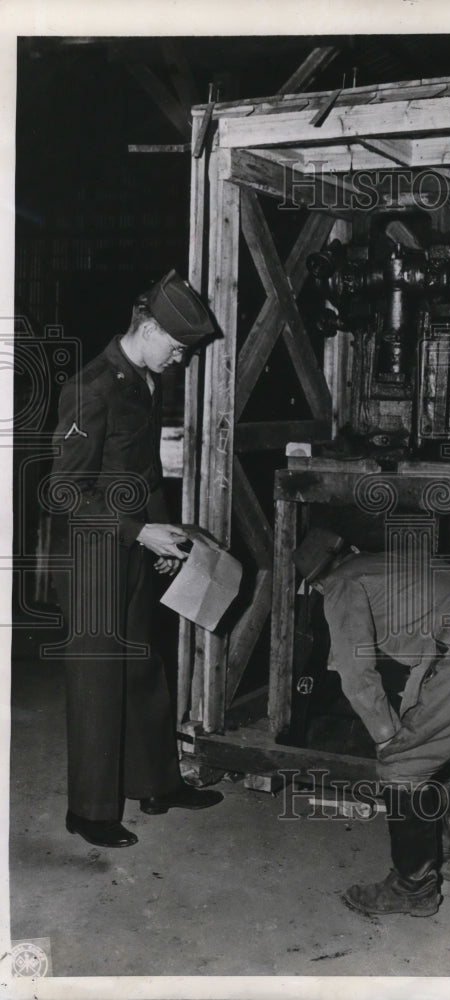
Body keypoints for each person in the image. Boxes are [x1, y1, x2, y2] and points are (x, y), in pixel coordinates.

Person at [49, 269, 223, 849]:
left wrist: (164, 535)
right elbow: (65, 492)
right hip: (96, 552)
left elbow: (144, 470)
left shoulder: (146, 380)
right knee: (98, 679)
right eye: (176, 347)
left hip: (138, 543)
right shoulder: (90, 388)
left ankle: (157, 784)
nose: (180, 359)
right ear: (147, 327)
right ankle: (90, 810)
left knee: (145, 667)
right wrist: (136, 530)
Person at [292, 527, 450, 917]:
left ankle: (412, 886)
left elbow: (355, 671)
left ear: (316, 584)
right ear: (350, 547)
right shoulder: (393, 562)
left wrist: (387, 737)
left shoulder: (341, 585)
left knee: (402, 767)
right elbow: (429, 653)